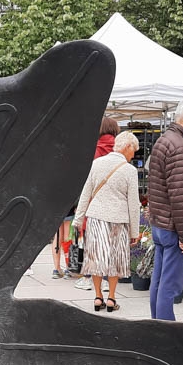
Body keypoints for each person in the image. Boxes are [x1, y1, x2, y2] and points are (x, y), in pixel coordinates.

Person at [147, 97, 183, 320]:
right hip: (173, 227)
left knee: (159, 281)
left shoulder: (164, 140)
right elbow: (180, 195)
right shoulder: (180, 148)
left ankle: (157, 326)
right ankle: (166, 333)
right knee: (169, 285)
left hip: (161, 224)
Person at [73, 131, 141, 313]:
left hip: (96, 218)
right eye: (133, 150)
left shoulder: (96, 164)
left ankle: (97, 297)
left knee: (96, 259)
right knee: (115, 261)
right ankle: (111, 298)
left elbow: (86, 193)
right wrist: (135, 232)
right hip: (119, 220)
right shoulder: (129, 170)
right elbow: (133, 204)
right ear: (127, 147)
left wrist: (78, 219)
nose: (133, 155)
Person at [70, 117, 123, 285]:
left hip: (95, 203)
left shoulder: (92, 150)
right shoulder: (121, 149)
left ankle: (89, 278)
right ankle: (109, 278)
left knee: (92, 241)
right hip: (116, 203)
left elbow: (84, 180)